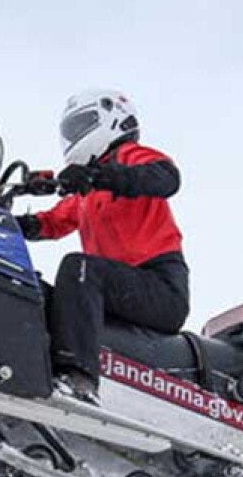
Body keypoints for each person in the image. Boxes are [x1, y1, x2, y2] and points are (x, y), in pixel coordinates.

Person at [15, 89, 189, 402]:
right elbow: (51, 222)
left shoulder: (129, 158)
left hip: (161, 288)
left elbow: (165, 177)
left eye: (83, 124)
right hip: (116, 292)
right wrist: (9, 223)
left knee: (78, 267)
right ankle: (31, 362)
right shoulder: (86, 197)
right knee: (40, 292)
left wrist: (99, 175)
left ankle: (78, 380)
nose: (75, 136)